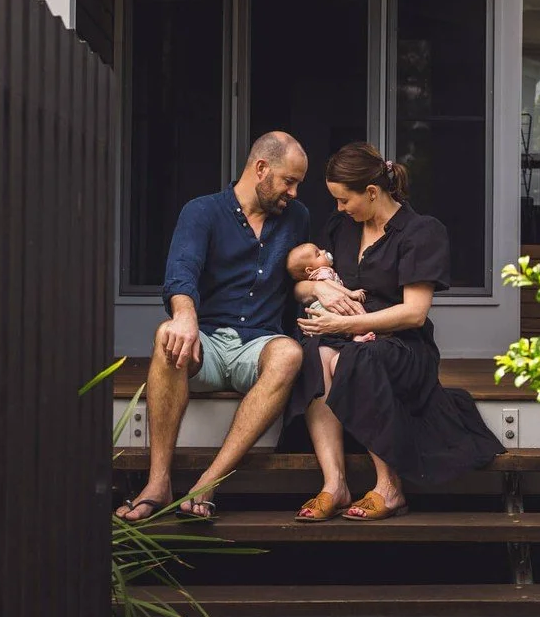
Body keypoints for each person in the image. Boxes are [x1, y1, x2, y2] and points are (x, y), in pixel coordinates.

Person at [115, 131, 348, 522]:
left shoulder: (297, 218)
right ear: (261, 168)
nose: (293, 193)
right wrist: (185, 315)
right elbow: (182, 272)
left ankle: (208, 483)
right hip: (204, 342)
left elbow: (297, 279)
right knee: (166, 334)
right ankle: (158, 482)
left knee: (289, 354)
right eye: (289, 181)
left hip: (259, 345)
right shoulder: (202, 211)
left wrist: (317, 287)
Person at [284, 141, 505, 522]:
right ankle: (334, 484)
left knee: (355, 358)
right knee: (314, 354)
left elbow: (414, 314)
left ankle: (389, 487)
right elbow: (302, 285)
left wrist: (346, 324)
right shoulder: (342, 227)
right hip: (346, 337)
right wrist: (317, 290)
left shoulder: (421, 232)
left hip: (403, 346)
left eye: (344, 199)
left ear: (372, 192)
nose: (339, 208)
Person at [285, 242, 374, 342]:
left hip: (319, 310)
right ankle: (366, 329)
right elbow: (332, 285)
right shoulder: (323, 272)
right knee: (356, 306)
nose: (323, 251)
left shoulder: (315, 276)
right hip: (325, 308)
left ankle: (355, 338)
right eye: (318, 254)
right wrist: (351, 293)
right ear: (309, 270)